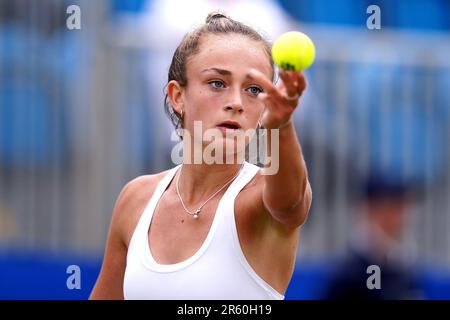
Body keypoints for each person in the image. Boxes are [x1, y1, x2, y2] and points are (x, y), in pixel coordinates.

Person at [89, 11, 312, 300]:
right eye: (217, 83)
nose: (235, 103)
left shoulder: (259, 197)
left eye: (254, 89)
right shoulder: (136, 199)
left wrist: (281, 126)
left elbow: (291, 204)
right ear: (178, 96)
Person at [323, 173, 422, 300]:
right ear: (369, 208)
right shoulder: (352, 273)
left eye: (402, 207)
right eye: (392, 207)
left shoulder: (405, 264)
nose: (400, 217)